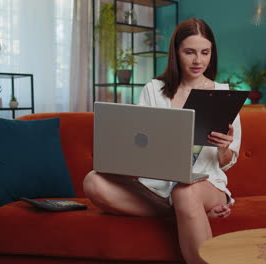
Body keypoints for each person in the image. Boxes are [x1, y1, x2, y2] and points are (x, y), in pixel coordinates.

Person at [83, 18, 241, 264]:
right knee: (92, 181)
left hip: (206, 187)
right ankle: (186, 214)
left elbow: (227, 162)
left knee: (185, 192)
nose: (198, 61)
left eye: (205, 52)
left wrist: (224, 148)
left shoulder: (223, 94)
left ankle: (189, 208)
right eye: (189, 52)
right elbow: (138, 143)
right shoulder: (154, 89)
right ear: (176, 53)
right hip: (156, 190)